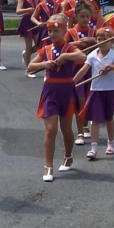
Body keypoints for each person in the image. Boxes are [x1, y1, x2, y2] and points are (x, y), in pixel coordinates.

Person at [27, 15, 85, 183]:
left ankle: (68, 155)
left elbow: (83, 57)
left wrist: (65, 57)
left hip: (67, 91)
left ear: (65, 30)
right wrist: (44, 64)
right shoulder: (46, 49)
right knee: (51, 129)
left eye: (56, 31)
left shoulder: (70, 48)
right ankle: (48, 165)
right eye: (50, 31)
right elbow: (30, 66)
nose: (52, 34)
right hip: (50, 91)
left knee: (66, 128)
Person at [74, 27, 114, 159]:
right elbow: (84, 69)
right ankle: (93, 148)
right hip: (95, 91)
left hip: (110, 90)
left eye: (105, 39)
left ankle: (111, 143)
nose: (102, 41)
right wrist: (72, 82)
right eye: (99, 39)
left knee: (109, 119)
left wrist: (111, 67)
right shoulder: (92, 55)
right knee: (95, 119)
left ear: (111, 41)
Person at [67, 4, 98, 145]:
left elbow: (105, 45)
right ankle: (79, 132)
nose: (85, 19)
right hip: (75, 69)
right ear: (76, 17)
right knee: (79, 99)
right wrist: (78, 43)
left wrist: (94, 41)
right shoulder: (71, 32)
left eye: (87, 16)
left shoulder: (94, 32)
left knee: (88, 99)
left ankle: (85, 125)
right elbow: (64, 47)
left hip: (91, 69)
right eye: (82, 16)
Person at [15, 0, 39, 72]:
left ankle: (26, 54)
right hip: (27, 22)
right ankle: (28, 69)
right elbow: (18, 11)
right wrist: (27, 10)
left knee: (39, 45)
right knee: (28, 46)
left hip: (35, 21)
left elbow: (41, 6)